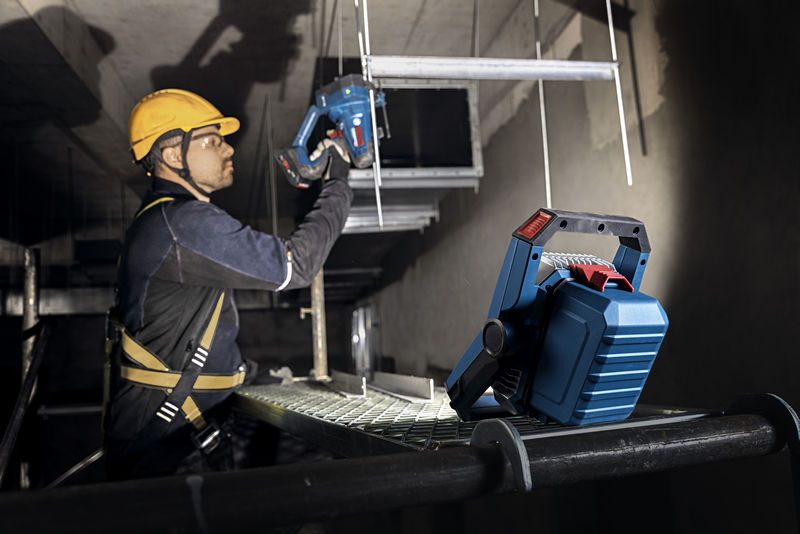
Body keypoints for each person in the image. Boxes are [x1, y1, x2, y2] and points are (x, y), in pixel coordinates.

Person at [104, 88, 352, 479]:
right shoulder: (183, 224)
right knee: (327, 467)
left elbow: (189, 335)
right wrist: (338, 183)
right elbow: (297, 266)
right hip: (168, 443)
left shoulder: (163, 223)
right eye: (213, 141)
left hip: (172, 429)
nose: (228, 149)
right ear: (172, 155)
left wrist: (252, 373)